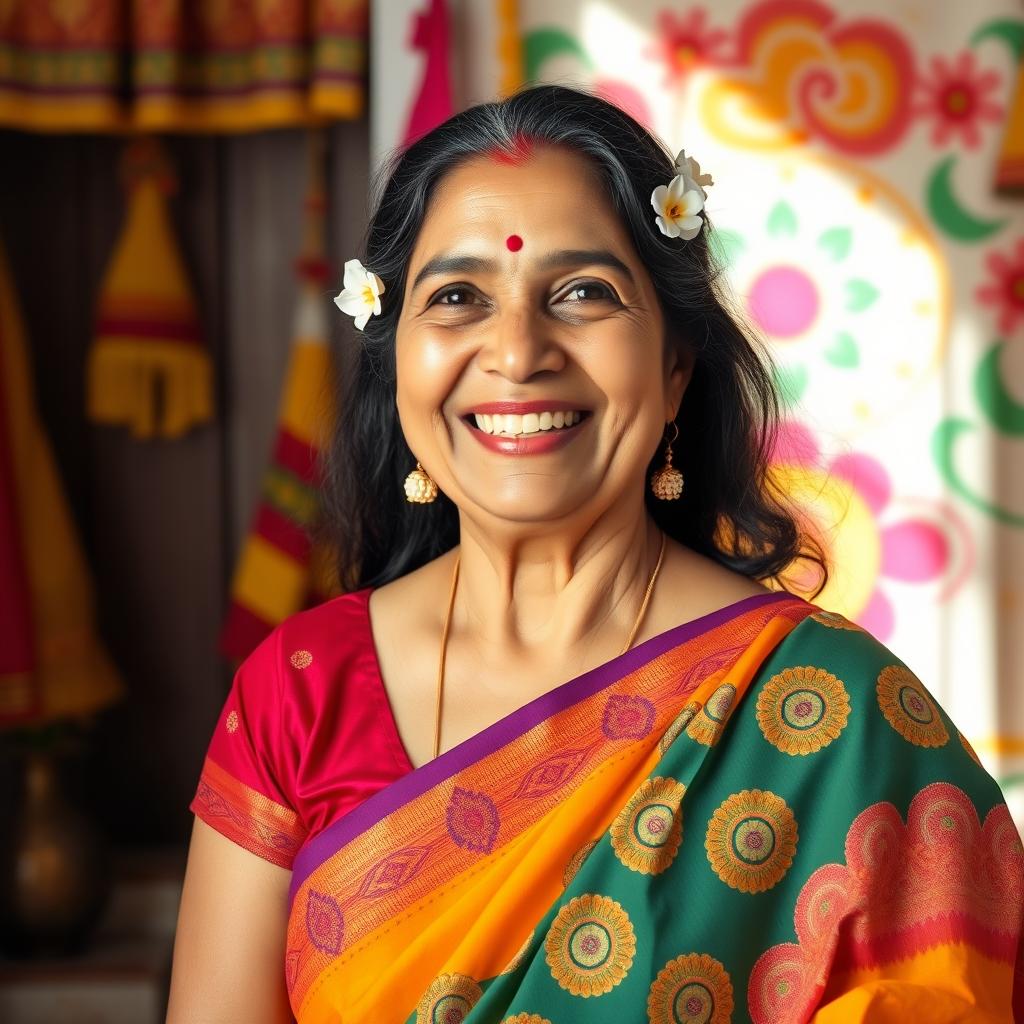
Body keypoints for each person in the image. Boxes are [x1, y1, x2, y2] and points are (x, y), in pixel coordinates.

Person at [166, 84, 1023, 1024]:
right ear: (397, 360)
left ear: (674, 367)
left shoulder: (837, 723)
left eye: (583, 294)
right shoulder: (300, 693)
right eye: (457, 297)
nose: (517, 351)